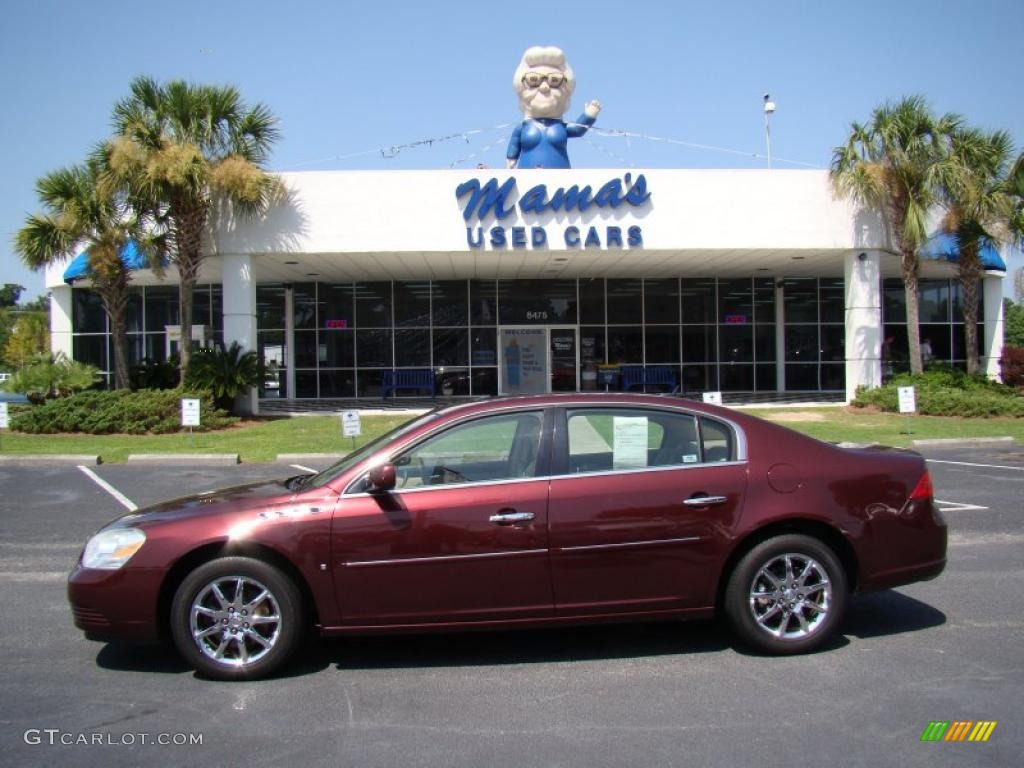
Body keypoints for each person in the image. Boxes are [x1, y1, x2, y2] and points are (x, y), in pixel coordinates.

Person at [506, 46, 601, 169]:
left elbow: (578, 130)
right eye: (533, 79)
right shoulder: (522, 127)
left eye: (554, 80)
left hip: (561, 182)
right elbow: (513, 147)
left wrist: (588, 116)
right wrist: (510, 159)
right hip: (527, 181)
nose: (544, 87)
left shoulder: (561, 126)